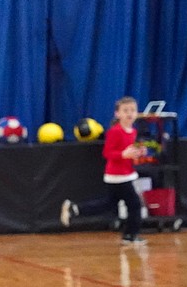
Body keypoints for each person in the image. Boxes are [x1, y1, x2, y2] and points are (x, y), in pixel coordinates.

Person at [60, 95, 148, 245]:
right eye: (125, 110)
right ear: (117, 114)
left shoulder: (132, 131)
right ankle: (130, 235)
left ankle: (75, 209)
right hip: (117, 176)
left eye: (132, 110)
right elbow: (107, 153)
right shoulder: (115, 131)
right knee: (134, 204)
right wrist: (123, 154)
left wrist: (138, 152)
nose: (129, 114)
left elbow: (128, 151)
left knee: (110, 203)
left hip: (126, 173)